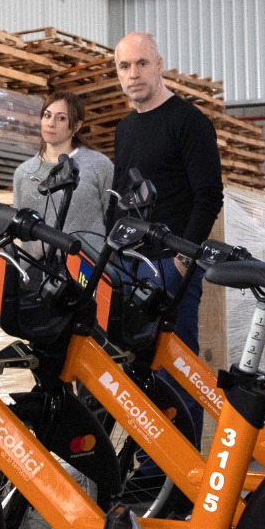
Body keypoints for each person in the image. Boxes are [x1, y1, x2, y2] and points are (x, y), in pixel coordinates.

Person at [110, 32, 224, 504]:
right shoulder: (125, 128)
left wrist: (182, 259)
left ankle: (182, 480)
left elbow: (208, 197)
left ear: (160, 65)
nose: (132, 74)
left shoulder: (188, 122)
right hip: (130, 264)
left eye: (140, 64)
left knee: (177, 369)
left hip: (171, 264)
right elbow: (120, 196)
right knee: (141, 369)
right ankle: (151, 469)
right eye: (123, 67)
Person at [12, 91, 113, 246]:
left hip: (85, 265)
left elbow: (113, 219)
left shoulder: (98, 165)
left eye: (61, 118)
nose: (51, 123)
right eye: (47, 115)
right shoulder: (24, 172)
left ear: (76, 126)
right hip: (35, 266)